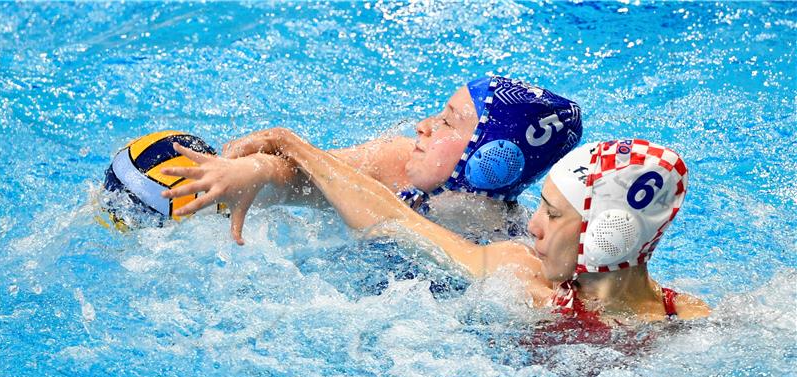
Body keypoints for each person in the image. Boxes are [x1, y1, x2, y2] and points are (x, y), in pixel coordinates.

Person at [162, 133, 710, 322]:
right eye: (539, 207)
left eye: (555, 214)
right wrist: (290, 145)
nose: (535, 226)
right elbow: (393, 221)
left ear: (607, 237)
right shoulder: (520, 276)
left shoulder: (689, 322)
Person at [162, 76, 581, 245]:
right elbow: (311, 174)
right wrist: (252, 170)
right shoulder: (396, 161)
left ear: (491, 159)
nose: (423, 125)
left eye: (448, 123)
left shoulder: (519, 251)